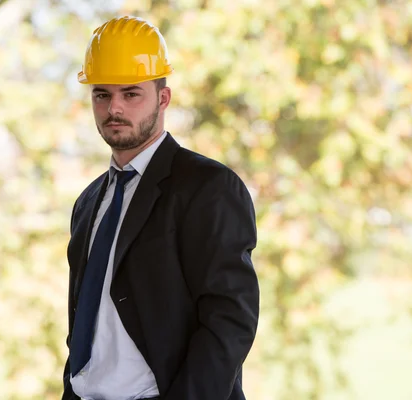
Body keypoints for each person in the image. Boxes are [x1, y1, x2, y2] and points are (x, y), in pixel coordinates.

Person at [62, 15, 259, 400]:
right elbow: (85, 329)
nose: (114, 108)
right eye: (102, 94)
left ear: (162, 98)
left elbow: (230, 320)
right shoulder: (88, 204)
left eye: (130, 93)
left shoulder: (208, 188)